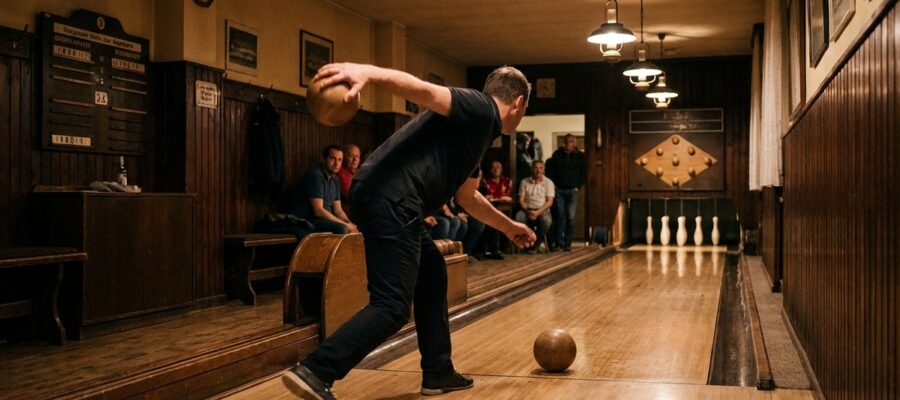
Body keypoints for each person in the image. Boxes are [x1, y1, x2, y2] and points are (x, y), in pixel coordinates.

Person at [282, 63, 536, 400]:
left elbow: (467, 198)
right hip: (391, 199)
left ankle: (438, 371)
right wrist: (366, 74)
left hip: (390, 200)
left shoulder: (475, 134)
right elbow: (424, 90)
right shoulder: (479, 107)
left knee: (432, 275)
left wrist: (509, 227)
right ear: (518, 103)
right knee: (391, 306)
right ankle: (317, 370)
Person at [290, 145, 358, 234]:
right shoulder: (316, 176)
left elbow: (338, 210)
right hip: (308, 219)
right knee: (342, 229)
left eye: (339, 160)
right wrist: (345, 225)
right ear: (325, 159)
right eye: (332, 159)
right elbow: (318, 211)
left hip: (324, 220)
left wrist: (350, 223)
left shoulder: (335, 179)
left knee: (355, 227)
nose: (336, 164)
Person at [545, 134, 585, 251]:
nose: (569, 142)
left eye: (572, 141)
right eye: (568, 140)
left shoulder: (581, 156)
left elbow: (584, 173)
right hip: (559, 190)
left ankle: (567, 244)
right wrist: (554, 187)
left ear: (575, 143)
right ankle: (559, 243)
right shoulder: (557, 155)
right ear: (564, 142)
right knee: (560, 216)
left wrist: (578, 186)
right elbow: (550, 171)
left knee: (570, 217)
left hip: (573, 190)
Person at [516, 160, 554, 252]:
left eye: (540, 168)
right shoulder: (524, 182)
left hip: (542, 210)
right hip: (527, 210)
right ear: (532, 169)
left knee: (546, 221)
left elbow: (549, 202)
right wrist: (528, 210)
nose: (538, 170)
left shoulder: (548, 182)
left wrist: (537, 212)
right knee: (519, 217)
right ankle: (525, 243)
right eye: (536, 168)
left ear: (544, 169)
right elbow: (521, 200)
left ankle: (536, 243)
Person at [336, 144, 361, 217]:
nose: (355, 159)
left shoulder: (356, 172)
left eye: (357, 156)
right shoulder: (341, 174)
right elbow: (352, 198)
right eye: (350, 156)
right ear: (342, 158)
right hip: (347, 214)